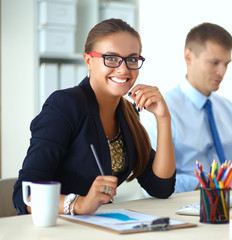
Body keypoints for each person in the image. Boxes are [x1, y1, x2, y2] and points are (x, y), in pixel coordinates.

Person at [13, 18, 176, 215]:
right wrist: (79, 204)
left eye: (132, 59)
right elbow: (25, 193)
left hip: (101, 225)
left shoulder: (128, 113)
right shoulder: (65, 105)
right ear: (89, 61)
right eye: (111, 58)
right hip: (58, 228)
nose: (123, 69)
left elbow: (161, 187)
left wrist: (164, 118)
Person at [141, 22, 232, 193]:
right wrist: (212, 181)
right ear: (188, 57)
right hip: (185, 205)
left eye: (226, 64)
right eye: (214, 62)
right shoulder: (159, 111)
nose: (222, 72)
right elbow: (152, 185)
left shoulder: (228, 109)